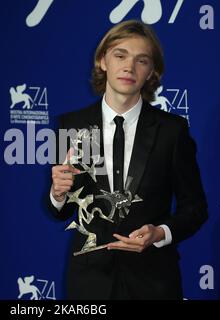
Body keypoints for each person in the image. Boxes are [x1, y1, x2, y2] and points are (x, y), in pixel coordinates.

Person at [47, 20, 208, 300]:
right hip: (89, 282)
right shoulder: (71, 124)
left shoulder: (172, 131)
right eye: (120, 55)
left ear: (151, 72)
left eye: (141, 60)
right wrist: (57, 193)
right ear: (102, 61)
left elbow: (194, 208)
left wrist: (159, 233)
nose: (129, 67)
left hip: (153, 281)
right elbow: (60, 211)